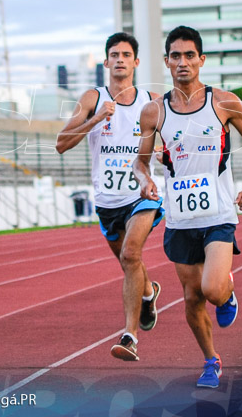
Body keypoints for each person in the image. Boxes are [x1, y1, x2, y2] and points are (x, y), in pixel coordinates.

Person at [134, 25, 242, 389]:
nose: (183, 62)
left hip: (219, 213)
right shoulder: (153, 112)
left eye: (190, 55)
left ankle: (227, 290)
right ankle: (211, 360)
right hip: (179, 218)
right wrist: (145, 179)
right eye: (175, 56)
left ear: (201, 60)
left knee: (211, 289)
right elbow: (141, 160)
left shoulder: (222, 101)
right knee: (192, 299)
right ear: (166, 62)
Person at [56, 32, 163, 363]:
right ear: (106, 62)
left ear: (136, 62)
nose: (120, 59)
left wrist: (163, 154)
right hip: (107, 202)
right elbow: (61, 143)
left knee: (132, 255)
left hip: (141, 193)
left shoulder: (153, 101)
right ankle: (148, 292)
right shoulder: (92, 97)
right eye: (114, 54)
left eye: (126, 54)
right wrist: (96, 118)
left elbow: (176, 140)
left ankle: (129, 337)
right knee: (127, 261)